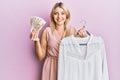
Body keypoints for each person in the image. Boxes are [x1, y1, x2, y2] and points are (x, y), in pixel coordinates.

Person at [30, 2, 86, 80]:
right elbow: (40, 57)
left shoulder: (72, 30)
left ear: (67, 15)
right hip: (51, 67)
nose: (59, 17)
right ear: (52, 16)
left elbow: (80, 53)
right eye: (56, 13)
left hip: (67, 66)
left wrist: (83, 38)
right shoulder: (47, 31)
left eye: (62, 13)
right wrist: (36, 41)